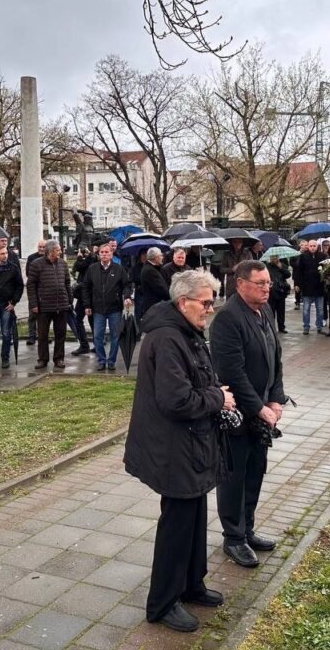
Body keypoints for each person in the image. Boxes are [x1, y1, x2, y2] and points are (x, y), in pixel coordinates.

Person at [123, 270, 234, 633]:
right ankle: (163, 602)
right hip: (173, 447)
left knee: (195, 517)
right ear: (183, 302)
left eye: (213, 301)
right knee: (177, 524)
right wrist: (218, 398)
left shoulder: (185, 330)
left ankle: (191, 584)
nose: (211, 309)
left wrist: (213, 392)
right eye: (206, 303)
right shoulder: (168, 337)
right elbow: (176, 400)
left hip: (191, 443)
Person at [211, 260, 289, 569]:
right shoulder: (228, 319)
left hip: (262, 413)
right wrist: (258, 407)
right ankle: (233, 538)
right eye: (261, 283)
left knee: (255, 472)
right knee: (234, 477)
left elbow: (275, 359)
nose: (267, 288)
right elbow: (233, 373)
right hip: (238, 415)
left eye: (269, 283)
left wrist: (276, 399)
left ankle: (247, 530)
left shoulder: (264, 310)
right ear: (241, 284)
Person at [83, 244, 134, 371]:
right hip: (98, 308)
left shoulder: (119, 269)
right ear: (98, 254)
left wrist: (127, 296)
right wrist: (87, 305)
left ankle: (111, 360)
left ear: (111, 254)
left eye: (106, 252)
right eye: (102, 252)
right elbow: (86, 288)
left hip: (114, 308)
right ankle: (101, 360)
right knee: (97, 336)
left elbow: (127, 285)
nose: (104, 254)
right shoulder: (92, 269)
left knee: (115, 336)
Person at [28, 240, 71, 370]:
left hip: (61, 305)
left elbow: (67, 283)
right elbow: (31, 285)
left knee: (61, 334)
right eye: (58, 250)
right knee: (42, 335)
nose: (60, 252)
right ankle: (42, 359)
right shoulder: (36, 264)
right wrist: (34, 304)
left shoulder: (63, 264)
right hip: (43, 306)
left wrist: (69, 300)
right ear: (51, 251)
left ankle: (59, 358)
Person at [295, 240, 324, 335]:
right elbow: (298, 271)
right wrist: (297, 284)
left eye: (314, 246)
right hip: (307, 287)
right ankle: (306, 327)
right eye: (311, 246)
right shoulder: (303, 256)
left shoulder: (323, 256)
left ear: (317, 246)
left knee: (320, 309)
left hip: (319, 287)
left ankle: (319, 326)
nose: (312, 247)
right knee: (306, 310)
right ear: (308, 247)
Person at [25, 239, 47, 345]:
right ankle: (32, 336)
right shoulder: (31, 258)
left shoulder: (49, 258)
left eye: (43, 247)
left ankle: (43, 336)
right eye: (40, 247)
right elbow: (28, 273)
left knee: (44, 316)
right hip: (34, 289)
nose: (41, 249)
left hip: (46, 290)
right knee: (32, 315)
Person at [265, 255, 291, 334]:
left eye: (276, 257)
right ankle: (272, 328)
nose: (274, 259)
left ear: (278, 258)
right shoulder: (267, 266)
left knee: (281, 311)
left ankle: (281, 327)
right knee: (271, 311)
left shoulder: (282, 265)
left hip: (281, 291)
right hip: (271, 291)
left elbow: (288, 275)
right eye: (272, 257)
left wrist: (281, 268)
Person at [140, 247, 170, 316]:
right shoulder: (150, 271)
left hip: (155, 307)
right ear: (156, 258)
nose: (162, 257)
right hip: (154, 308)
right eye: (161, 255)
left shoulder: (153, 268)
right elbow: (162, 290)